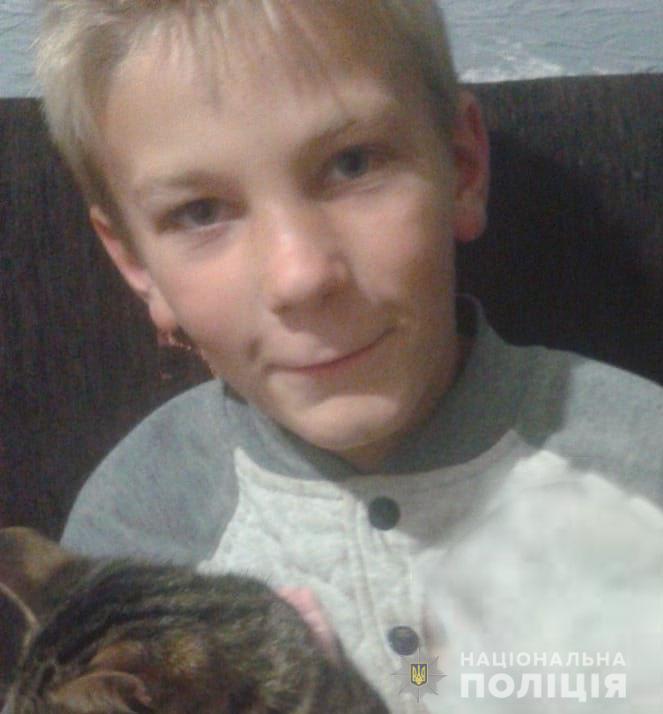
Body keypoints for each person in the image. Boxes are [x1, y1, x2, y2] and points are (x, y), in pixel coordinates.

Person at [35, 1, 663, 710]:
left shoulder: (640, 462)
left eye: (351, 163)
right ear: (137, 264)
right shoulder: (134, 532)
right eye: (200, 212)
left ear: (460, 168)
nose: (300, 276)